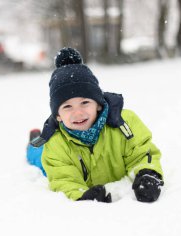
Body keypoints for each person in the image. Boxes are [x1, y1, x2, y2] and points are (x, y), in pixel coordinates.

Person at [28, 47, 164, 203]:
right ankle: (33, 140)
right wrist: (82, 196)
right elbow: (63, 179)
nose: (78, 113)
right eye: (67, 106)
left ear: (98, 104)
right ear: (58, 115)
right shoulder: (55, 144)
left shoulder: (124, 123)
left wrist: (148, 173)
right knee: (38, 156)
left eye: (85, 102)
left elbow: (141, 153)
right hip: (51, 152)